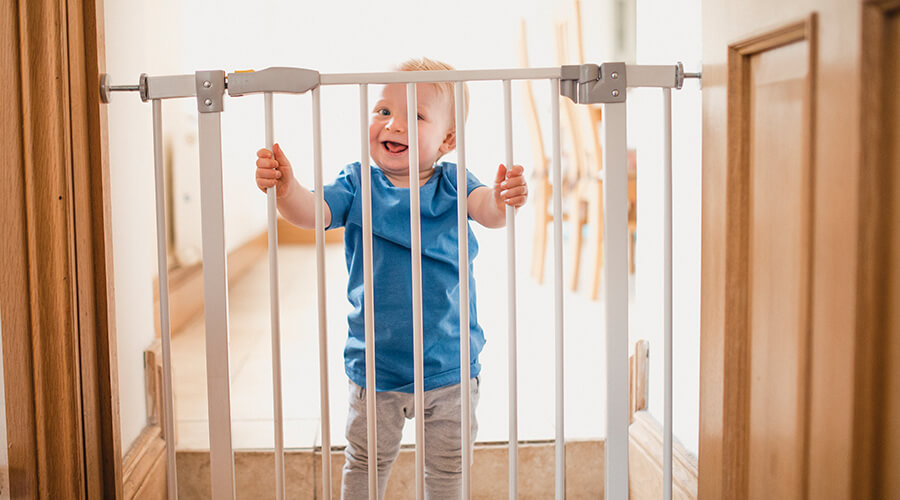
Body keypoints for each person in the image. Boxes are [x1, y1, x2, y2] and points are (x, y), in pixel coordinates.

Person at [254, 57, 528, 499]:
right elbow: (312, 212)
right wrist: (287, 189)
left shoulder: (455, 185)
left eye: (415, 116)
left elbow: (489, 212)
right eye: (383, 110)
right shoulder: (357, 183)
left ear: (447, 139)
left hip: (450, 366)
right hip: (377, 367)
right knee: (365, 461)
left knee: (448, 469)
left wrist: (503, 198)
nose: (393, 124)